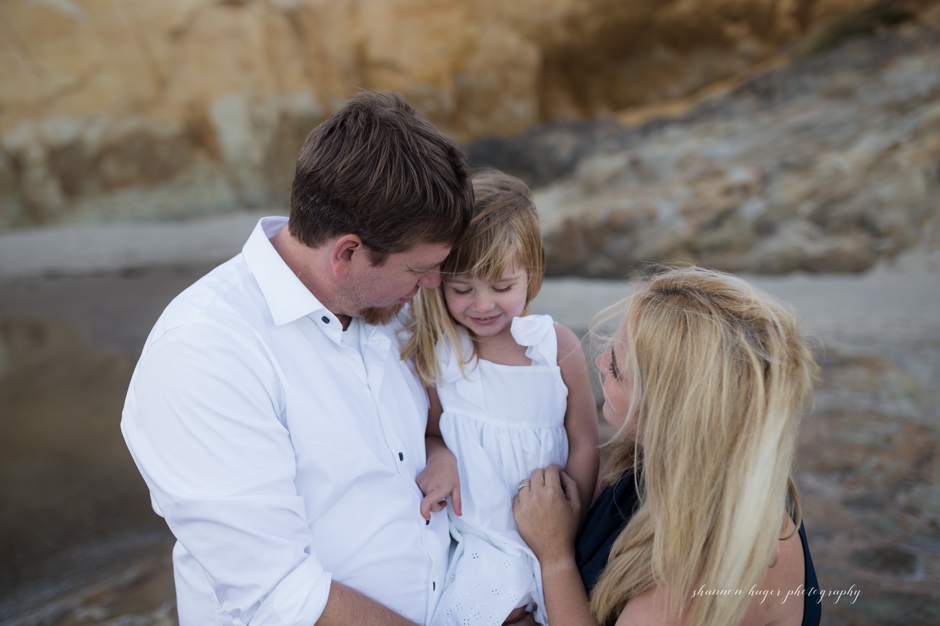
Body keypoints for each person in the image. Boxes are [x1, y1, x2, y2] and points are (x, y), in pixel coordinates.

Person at [121, 91, 475, 625]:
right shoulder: (205, 352)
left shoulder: (387, 304)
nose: (433, 285)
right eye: (417, 269)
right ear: (348, 253)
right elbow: (280, 596)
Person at [512, 266, 822, 626]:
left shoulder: (698, 578)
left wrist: (555, 556)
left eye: (617, 369)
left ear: (669, 416)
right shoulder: (689, 464)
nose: (599, 363)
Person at [400, 171, 600, 626]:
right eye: (462, 289)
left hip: (552, 525)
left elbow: (585, 441)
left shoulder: (555, 347)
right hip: (482, 536)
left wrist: (572, 520)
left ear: (532, 272)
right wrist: (441, 458)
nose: (482, 305)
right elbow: (433, 431)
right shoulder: (445, 354)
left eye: (502, 287)